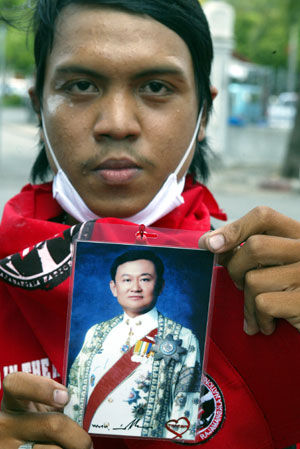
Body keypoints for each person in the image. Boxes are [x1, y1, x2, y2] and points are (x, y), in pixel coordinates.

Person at [0, 1, 299, 449]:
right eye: (81, 85)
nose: (116, 124)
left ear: (203, 114)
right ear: (38, 108)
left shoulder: (268, 286)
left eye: (156, 86)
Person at [65, 250, 201, 440]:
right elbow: (75, 393)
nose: (135, 288)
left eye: (145, 279)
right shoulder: (95, 333)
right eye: (127, 280)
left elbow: (185, 403)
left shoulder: (184, 338)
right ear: (114, 287)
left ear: (160, 286)